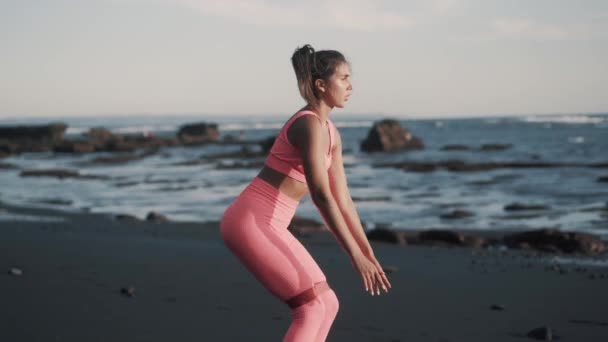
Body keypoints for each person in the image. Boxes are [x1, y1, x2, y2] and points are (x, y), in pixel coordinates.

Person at [220, 44, 392, 342]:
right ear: (321, 85)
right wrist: (353, 254)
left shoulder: (331, 133)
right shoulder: (308, 125)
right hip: (250, 222)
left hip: (270, 225)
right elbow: (322, 196)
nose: (351, 86)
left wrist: (367, 251)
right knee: (311, 308)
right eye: (344, 78)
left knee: (327, 304)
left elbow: (343, 199)